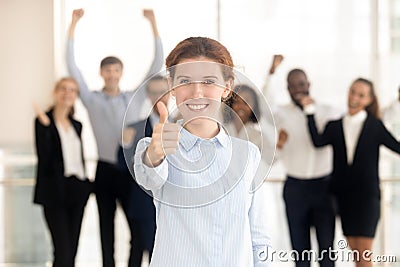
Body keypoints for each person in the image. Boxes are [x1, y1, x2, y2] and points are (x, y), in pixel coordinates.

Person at [132, 37, 271, 267]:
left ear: (227, 87)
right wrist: (156, 154)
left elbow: (259, 237)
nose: (196, 92)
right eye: (185, 81)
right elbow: (149, 177)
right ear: (172, 86)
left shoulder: (248, 154)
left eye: (208, 81)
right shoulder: (158, 147)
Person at [66, 8, 164, 267]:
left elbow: (156, 65)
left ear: (121, 73)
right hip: (104, 171)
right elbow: (72, 68)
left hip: (130, 172)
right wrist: (73, 25)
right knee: (105, 232)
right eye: (107, 70)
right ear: (101, 73)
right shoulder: (92, 100)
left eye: (116, 70)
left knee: (137, 231)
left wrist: (153, 24)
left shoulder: (133, 98)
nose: (111, 74)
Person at [301, 78, 400, 267]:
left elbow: (397, 147)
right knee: (355, 253)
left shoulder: (375, 126)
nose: (354, 97)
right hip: (343, 199)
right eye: (352, 91)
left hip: (367, 199)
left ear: (369, 100)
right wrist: (309, 113)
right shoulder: (335, 125)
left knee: (364, 255)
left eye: (361, 95)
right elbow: (317, 141)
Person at [264, 68, 341, 267]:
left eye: (301, 84)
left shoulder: (328, 111)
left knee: (327, 252)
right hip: (295, 188)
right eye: (292, 85)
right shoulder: (280, 114)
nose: (297, 89)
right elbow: (263, 108)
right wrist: (270, 73)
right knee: (300, 253)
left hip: (324, 188)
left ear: (309, 85)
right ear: (287, 89)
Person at [33, 77, 93, 267]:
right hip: (54, 191)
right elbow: (45, 157)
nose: (68, 93)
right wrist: (46, 127)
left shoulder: (77, 125)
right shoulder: (43, 121)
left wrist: (86, 186)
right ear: (55, 92)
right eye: (64, 89)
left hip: (77, 188)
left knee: (72, 251)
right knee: (62, 252)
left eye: (72, 90)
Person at [117, 75, 170, 266]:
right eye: (154, 93)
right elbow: (122, 167)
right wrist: (125, 144)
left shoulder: (184, 127)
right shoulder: (134, 129)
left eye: (162, 92)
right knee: (140, 249)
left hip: (175, 204)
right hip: (143, 203)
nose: (159, 97)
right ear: (148, 95)